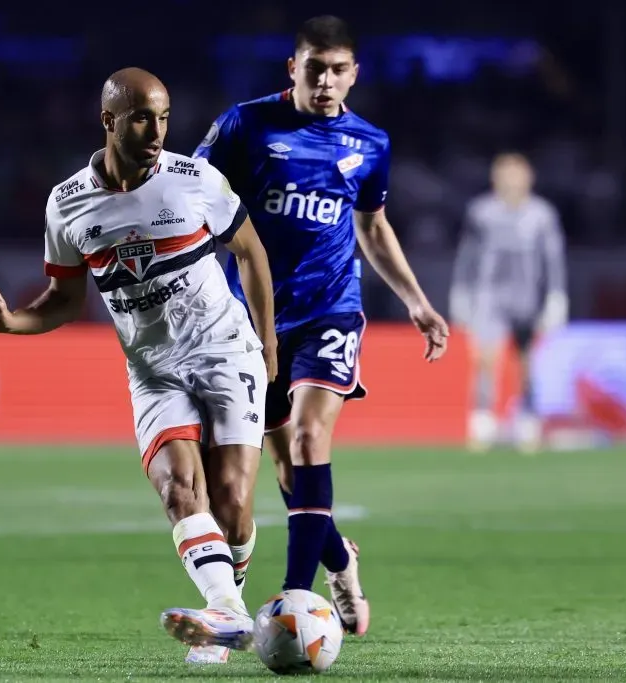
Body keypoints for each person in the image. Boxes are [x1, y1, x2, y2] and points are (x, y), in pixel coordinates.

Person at [0, 67, 277, 656]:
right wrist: (9, 322)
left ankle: (224, 608)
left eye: (163, 117)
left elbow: (251, 252)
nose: (156, 130)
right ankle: (230, 617)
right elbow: (62, 300)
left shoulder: (195, 180)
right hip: (153, 370)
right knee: (178, 490)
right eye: (141, 117)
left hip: (223, 349)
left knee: (234, 506)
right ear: (109, 121)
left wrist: (268, 343)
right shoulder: (66, 206)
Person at [192, 14, 449, 657]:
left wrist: (416, 301)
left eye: (338, 70)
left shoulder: (369, 142)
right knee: (282, 465)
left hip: (331, 311)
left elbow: (374, 226)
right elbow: (190, 196)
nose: (327, 81)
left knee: (309, 438)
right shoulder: (244, 125)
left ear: (354, 73)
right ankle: (340, 560)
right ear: (293, 68)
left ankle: (290, 602)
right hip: (249, 320)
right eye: (315, 69)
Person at [449, 152, 568, 453]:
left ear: (529, 178)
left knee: (526, 361)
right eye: (506, 174)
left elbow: (552, 258)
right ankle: (482, 423)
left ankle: (528, 422)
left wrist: (556, 295)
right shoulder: (482, 211)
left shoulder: (542, 214)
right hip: (489, 294)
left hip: (526, 295)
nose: (512, 180)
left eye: (518, 174)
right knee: (486, 359)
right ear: (496, 178)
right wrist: (461, 293)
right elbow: (467, 256)